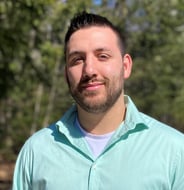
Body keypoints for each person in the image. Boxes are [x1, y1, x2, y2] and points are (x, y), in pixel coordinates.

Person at [12, 11, 184, 190]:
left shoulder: (175, 152)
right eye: (77, 59)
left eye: (102, 56)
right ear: (66, 74)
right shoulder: (36, 151)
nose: (89, 70)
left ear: (125, 67)